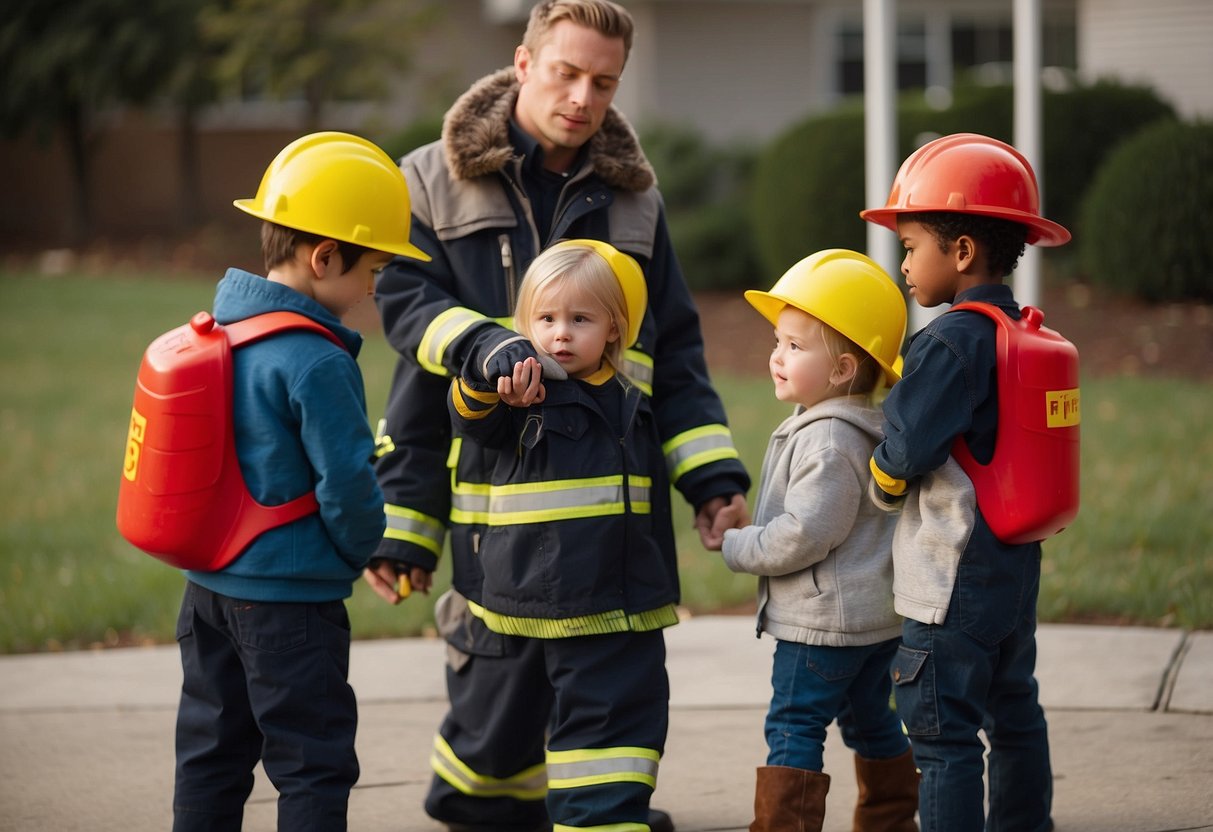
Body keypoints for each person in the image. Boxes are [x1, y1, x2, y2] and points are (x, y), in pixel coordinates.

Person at [364, 2, 751, 830]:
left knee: (610, 706)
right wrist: (404, 526)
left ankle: (602, 815)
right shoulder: (428, 181)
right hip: (488, 524)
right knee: (490, 738)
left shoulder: (635, 204)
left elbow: (673, 358)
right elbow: (404, 313)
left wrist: (712, 481)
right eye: (567, 73)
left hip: (612, 530)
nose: (583, 97)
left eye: (603, 82)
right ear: (522, 60)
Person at [171, 131, 430, 832]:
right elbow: (345, 485)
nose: (376, 286)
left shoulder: (222, 331)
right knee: (312, 760)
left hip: (208, 591)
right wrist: (357, 550)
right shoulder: (316, 360)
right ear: (324, 257)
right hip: (289, 600)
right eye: (373, 268)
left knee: (211, 754)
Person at [860, 133, 1072, 832]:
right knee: (1014, 710)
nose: (902, 266)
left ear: (960, 253)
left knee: (942, 734)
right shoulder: (1015, 330)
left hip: (949, 578)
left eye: (911, 245)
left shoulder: (948, 341)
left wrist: (883, 484)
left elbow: (906, 446)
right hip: (1011, 566)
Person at [443, 238, 680, 829]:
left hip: (618, 593)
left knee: (623, 714)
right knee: (602, 716)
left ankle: (604, 814)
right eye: (545, 319)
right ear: (524, 325)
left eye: (580, 319)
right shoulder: (524, 391)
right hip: (556, 591)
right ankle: (598, 819)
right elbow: (473, 418)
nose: (560, 335)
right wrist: (487, 380)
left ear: (614, 329)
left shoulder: (628, 396)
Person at [719, 250, 918, 832]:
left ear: (842, 370)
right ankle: (889, 820)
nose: (776, 357)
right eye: (778, 341)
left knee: (793, 727)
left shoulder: (829, 440)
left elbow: (806, 533)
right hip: (872, 622)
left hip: (822, 627)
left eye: (795, 347)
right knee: (872, 723)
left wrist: (738, 544)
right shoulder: (860, 429)